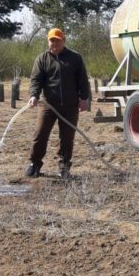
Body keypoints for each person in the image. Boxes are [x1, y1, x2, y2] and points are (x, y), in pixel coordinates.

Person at [25, 28, 90, 178]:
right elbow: (36, 80)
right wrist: (34, 95)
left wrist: (84, 98)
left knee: (67, 138)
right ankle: (34, 164)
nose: (54, 43)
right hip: (48, 105)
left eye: (57, 41)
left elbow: (82, 79)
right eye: (52, 40)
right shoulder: (42, 59)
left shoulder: (75, 58)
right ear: (48, 41)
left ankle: (64, 167)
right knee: (40, 134)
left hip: (70, 106)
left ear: (64, 41)